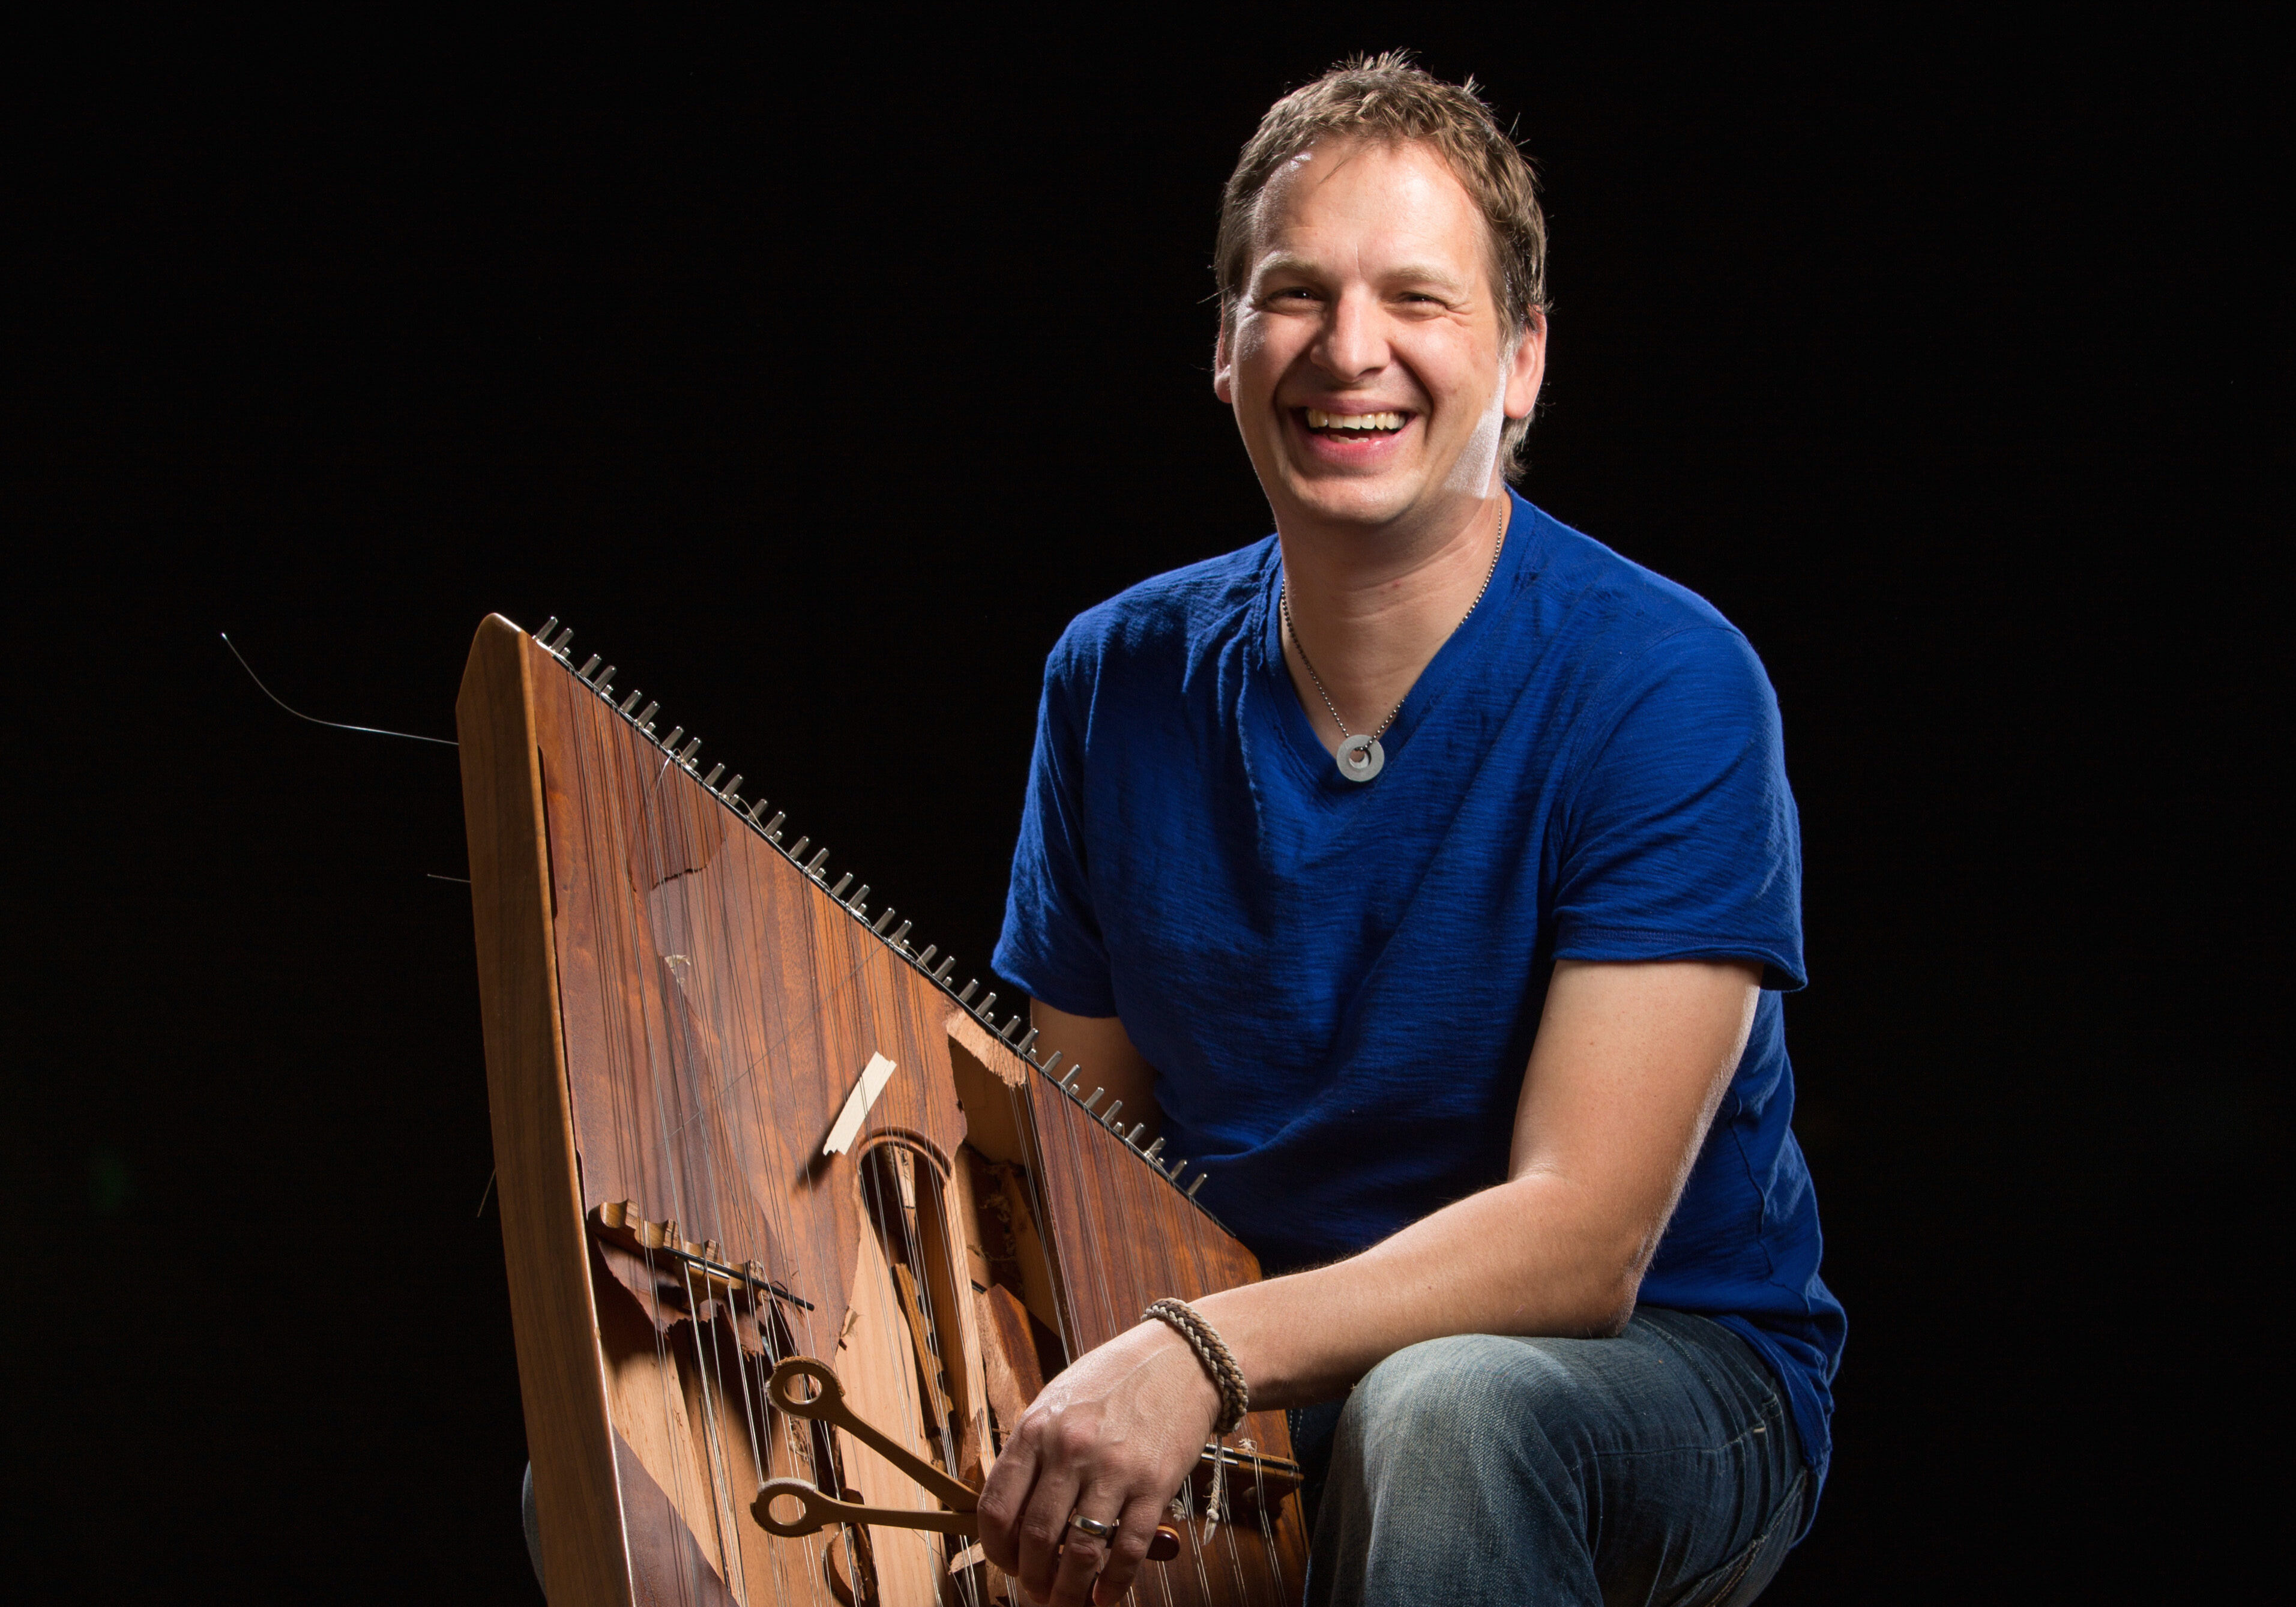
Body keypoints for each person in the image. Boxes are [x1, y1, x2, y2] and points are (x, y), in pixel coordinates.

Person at [978, 53, 1843, 1607]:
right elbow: (1084, 1170)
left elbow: (1581, 1246)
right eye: (1293, 294)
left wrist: (1193, 1355)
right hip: (1246, 1357)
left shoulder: (1664, 681)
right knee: (712, 1437)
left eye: (1416, 299)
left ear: (1519, 361)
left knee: (1441, 1408)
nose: (1347, 349)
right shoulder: (1111, 678)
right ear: (1229, 351)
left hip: (1653, 1371)